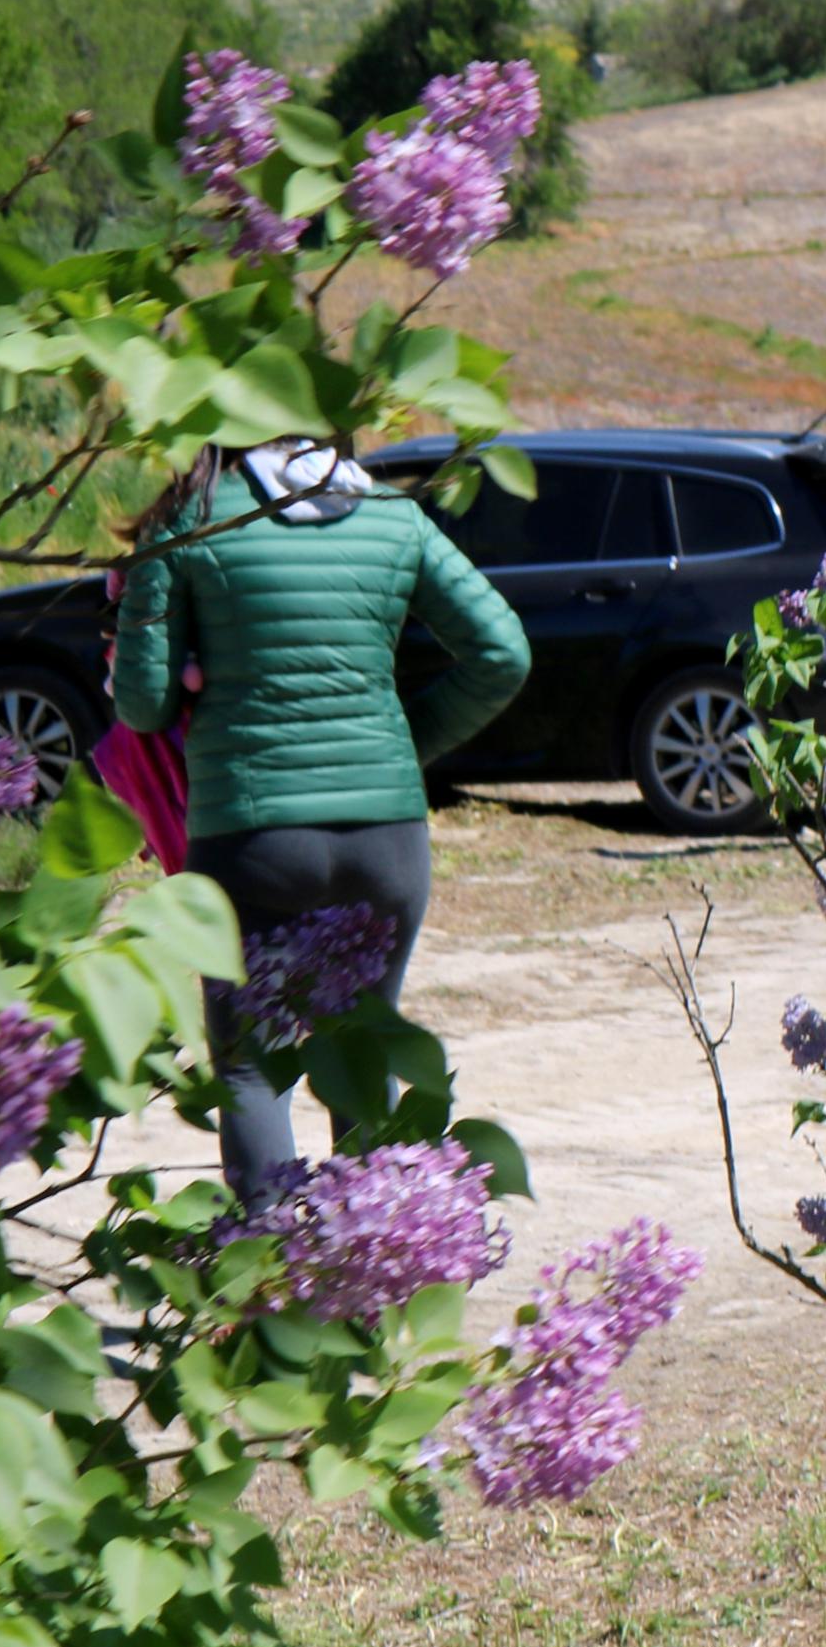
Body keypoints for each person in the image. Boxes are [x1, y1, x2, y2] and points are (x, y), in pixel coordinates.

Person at [111, 441, 531, 1196]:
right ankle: (367, 1289)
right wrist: (406, 746)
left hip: (252, 837)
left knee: (250, 1065)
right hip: (387, 838)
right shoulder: (393, 515)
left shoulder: (192, 519)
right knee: (366, 1053)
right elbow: (501, 653)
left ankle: (271, 1291)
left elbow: (142, 705)